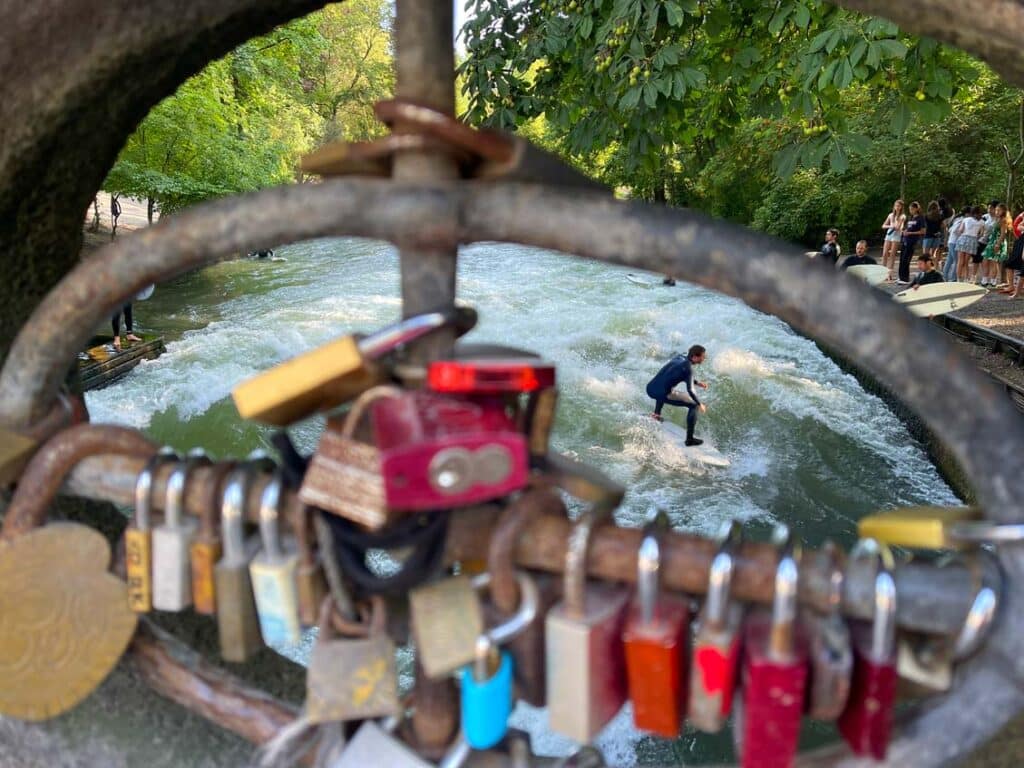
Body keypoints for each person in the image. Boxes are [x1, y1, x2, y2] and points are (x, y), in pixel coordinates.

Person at [646, 345, 709, 446]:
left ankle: (656, 415)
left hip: (650, 389)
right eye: (702, 357)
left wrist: (697, 383)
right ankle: (689, 439)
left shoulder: (679, 357)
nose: (704, 358)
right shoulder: (688, 369)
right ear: (695, 357)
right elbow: (691, 390)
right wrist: (699, 403)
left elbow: (675, 374)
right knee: (694, 405)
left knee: (665, 385)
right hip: (662, 393)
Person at [898, 201, 926, 284]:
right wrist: (904, 231)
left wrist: (910, 233)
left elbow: (922, 231)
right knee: (902, 259)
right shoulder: (910, 217)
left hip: (912, 241)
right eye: (910, 209)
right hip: (905, 240)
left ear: (917, 209)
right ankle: (901, 277)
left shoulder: (920, 218)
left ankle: (905, 278)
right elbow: (907, 227)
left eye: (912, 209)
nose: (911, 210)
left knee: (906, 259)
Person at [881, 200, 905, 281]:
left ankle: (889, 274)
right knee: (884, 254)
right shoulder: (890, 215)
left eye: (898, 206)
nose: (897, 207)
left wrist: (896, 226)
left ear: (901, 207)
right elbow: (883, 226)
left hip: (896, 236)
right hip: (889, 235)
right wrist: (890, 226)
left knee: (892, 255)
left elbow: (899, 227)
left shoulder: (902, 216)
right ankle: (882, 273)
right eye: (896, 206)